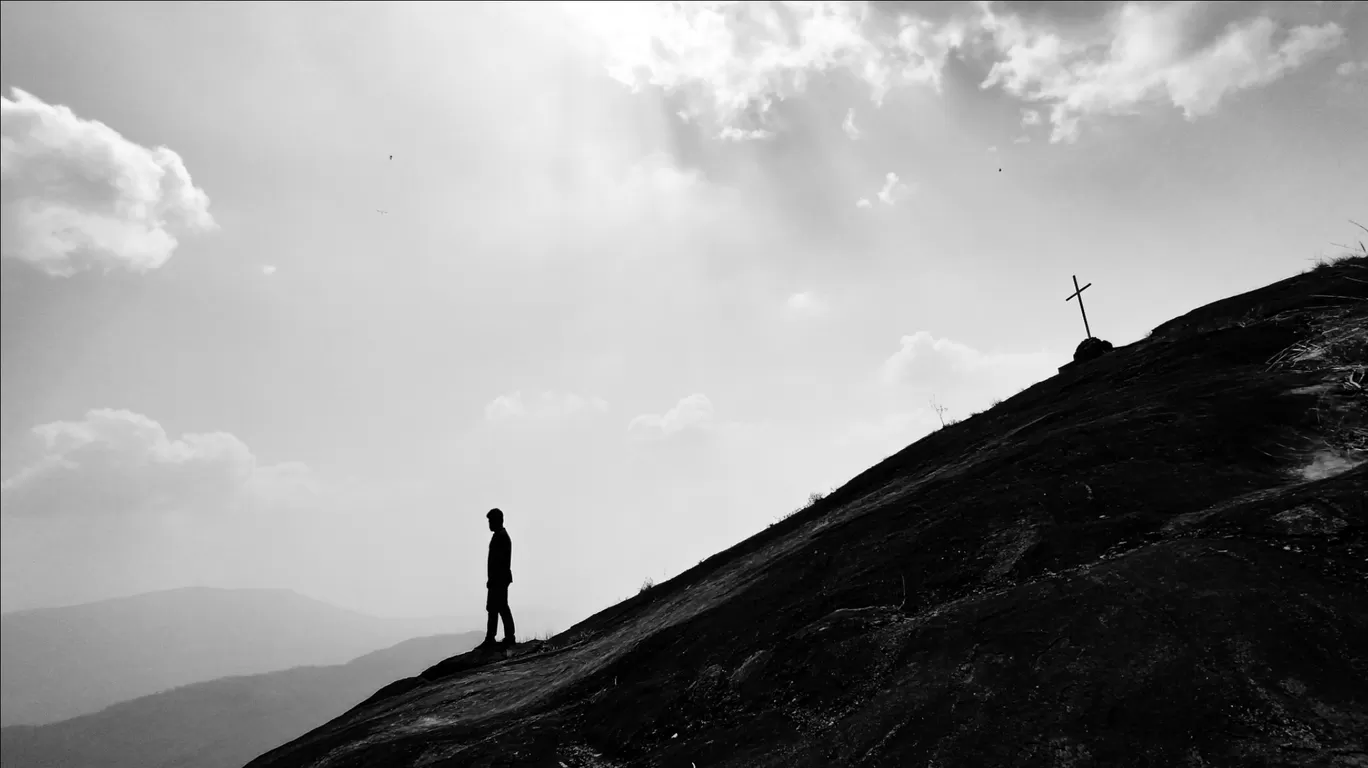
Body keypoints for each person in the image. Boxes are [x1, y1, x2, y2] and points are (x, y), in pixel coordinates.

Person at [477, 508, 515, 650]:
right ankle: (493, 637)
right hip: (497, 578)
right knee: (495, 607)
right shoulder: (500, 536)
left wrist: (494, 578)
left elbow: (500, 561)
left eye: (490, 520)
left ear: (497, 520)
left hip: (499, 579)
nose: (489, 523)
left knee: (499, 607)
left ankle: (500, 637)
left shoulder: (501, 536)